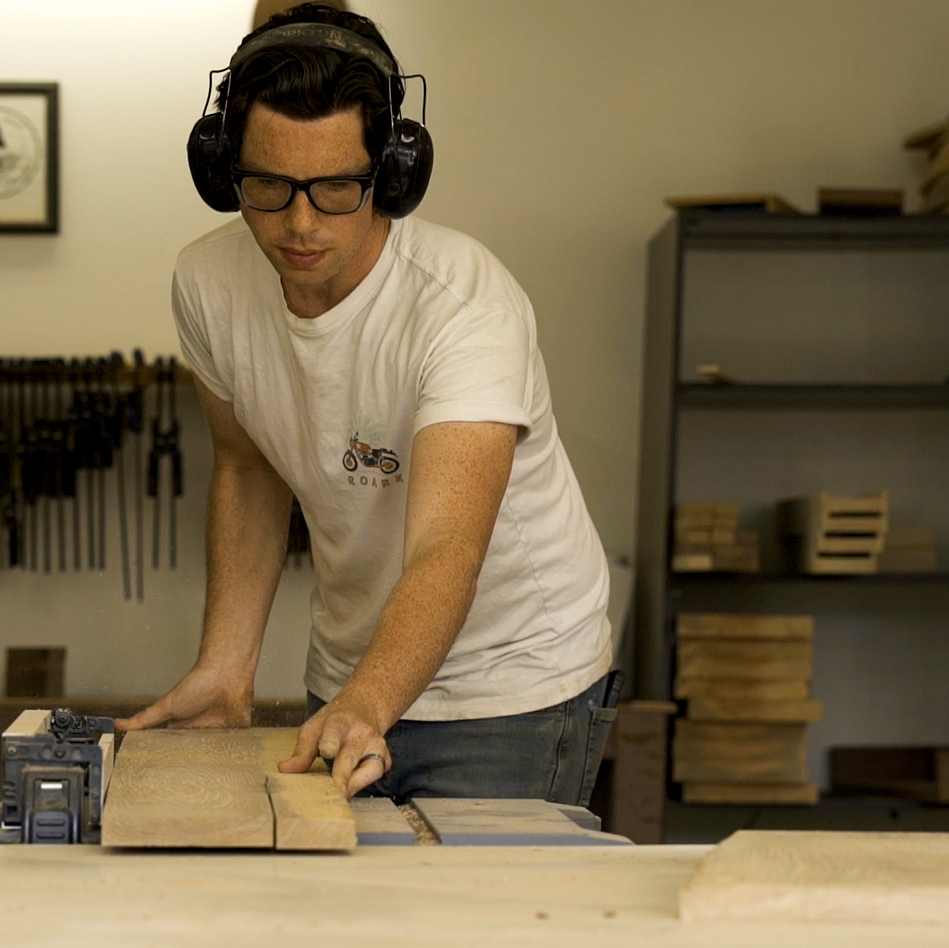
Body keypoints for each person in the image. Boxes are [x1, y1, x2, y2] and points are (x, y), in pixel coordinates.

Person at [118, 4, 613, 805]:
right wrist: (225, 666)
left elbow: (446, 546)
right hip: (351, 670)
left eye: (338, 187)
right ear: (222, 170)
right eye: (269, 186)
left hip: (510, 682)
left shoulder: (464, 305)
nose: (301, 224)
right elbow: (248, 471)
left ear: (391, 174)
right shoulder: (208, 284)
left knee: (483, 922)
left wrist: (370, 704)